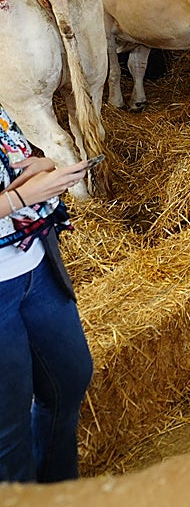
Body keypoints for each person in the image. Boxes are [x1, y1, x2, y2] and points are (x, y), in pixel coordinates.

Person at [0, 110, 92, 483]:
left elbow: (15, 155)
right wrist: (23, 195)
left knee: (71, 376)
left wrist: (43, 165)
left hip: (34, 263)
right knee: (7, 424)